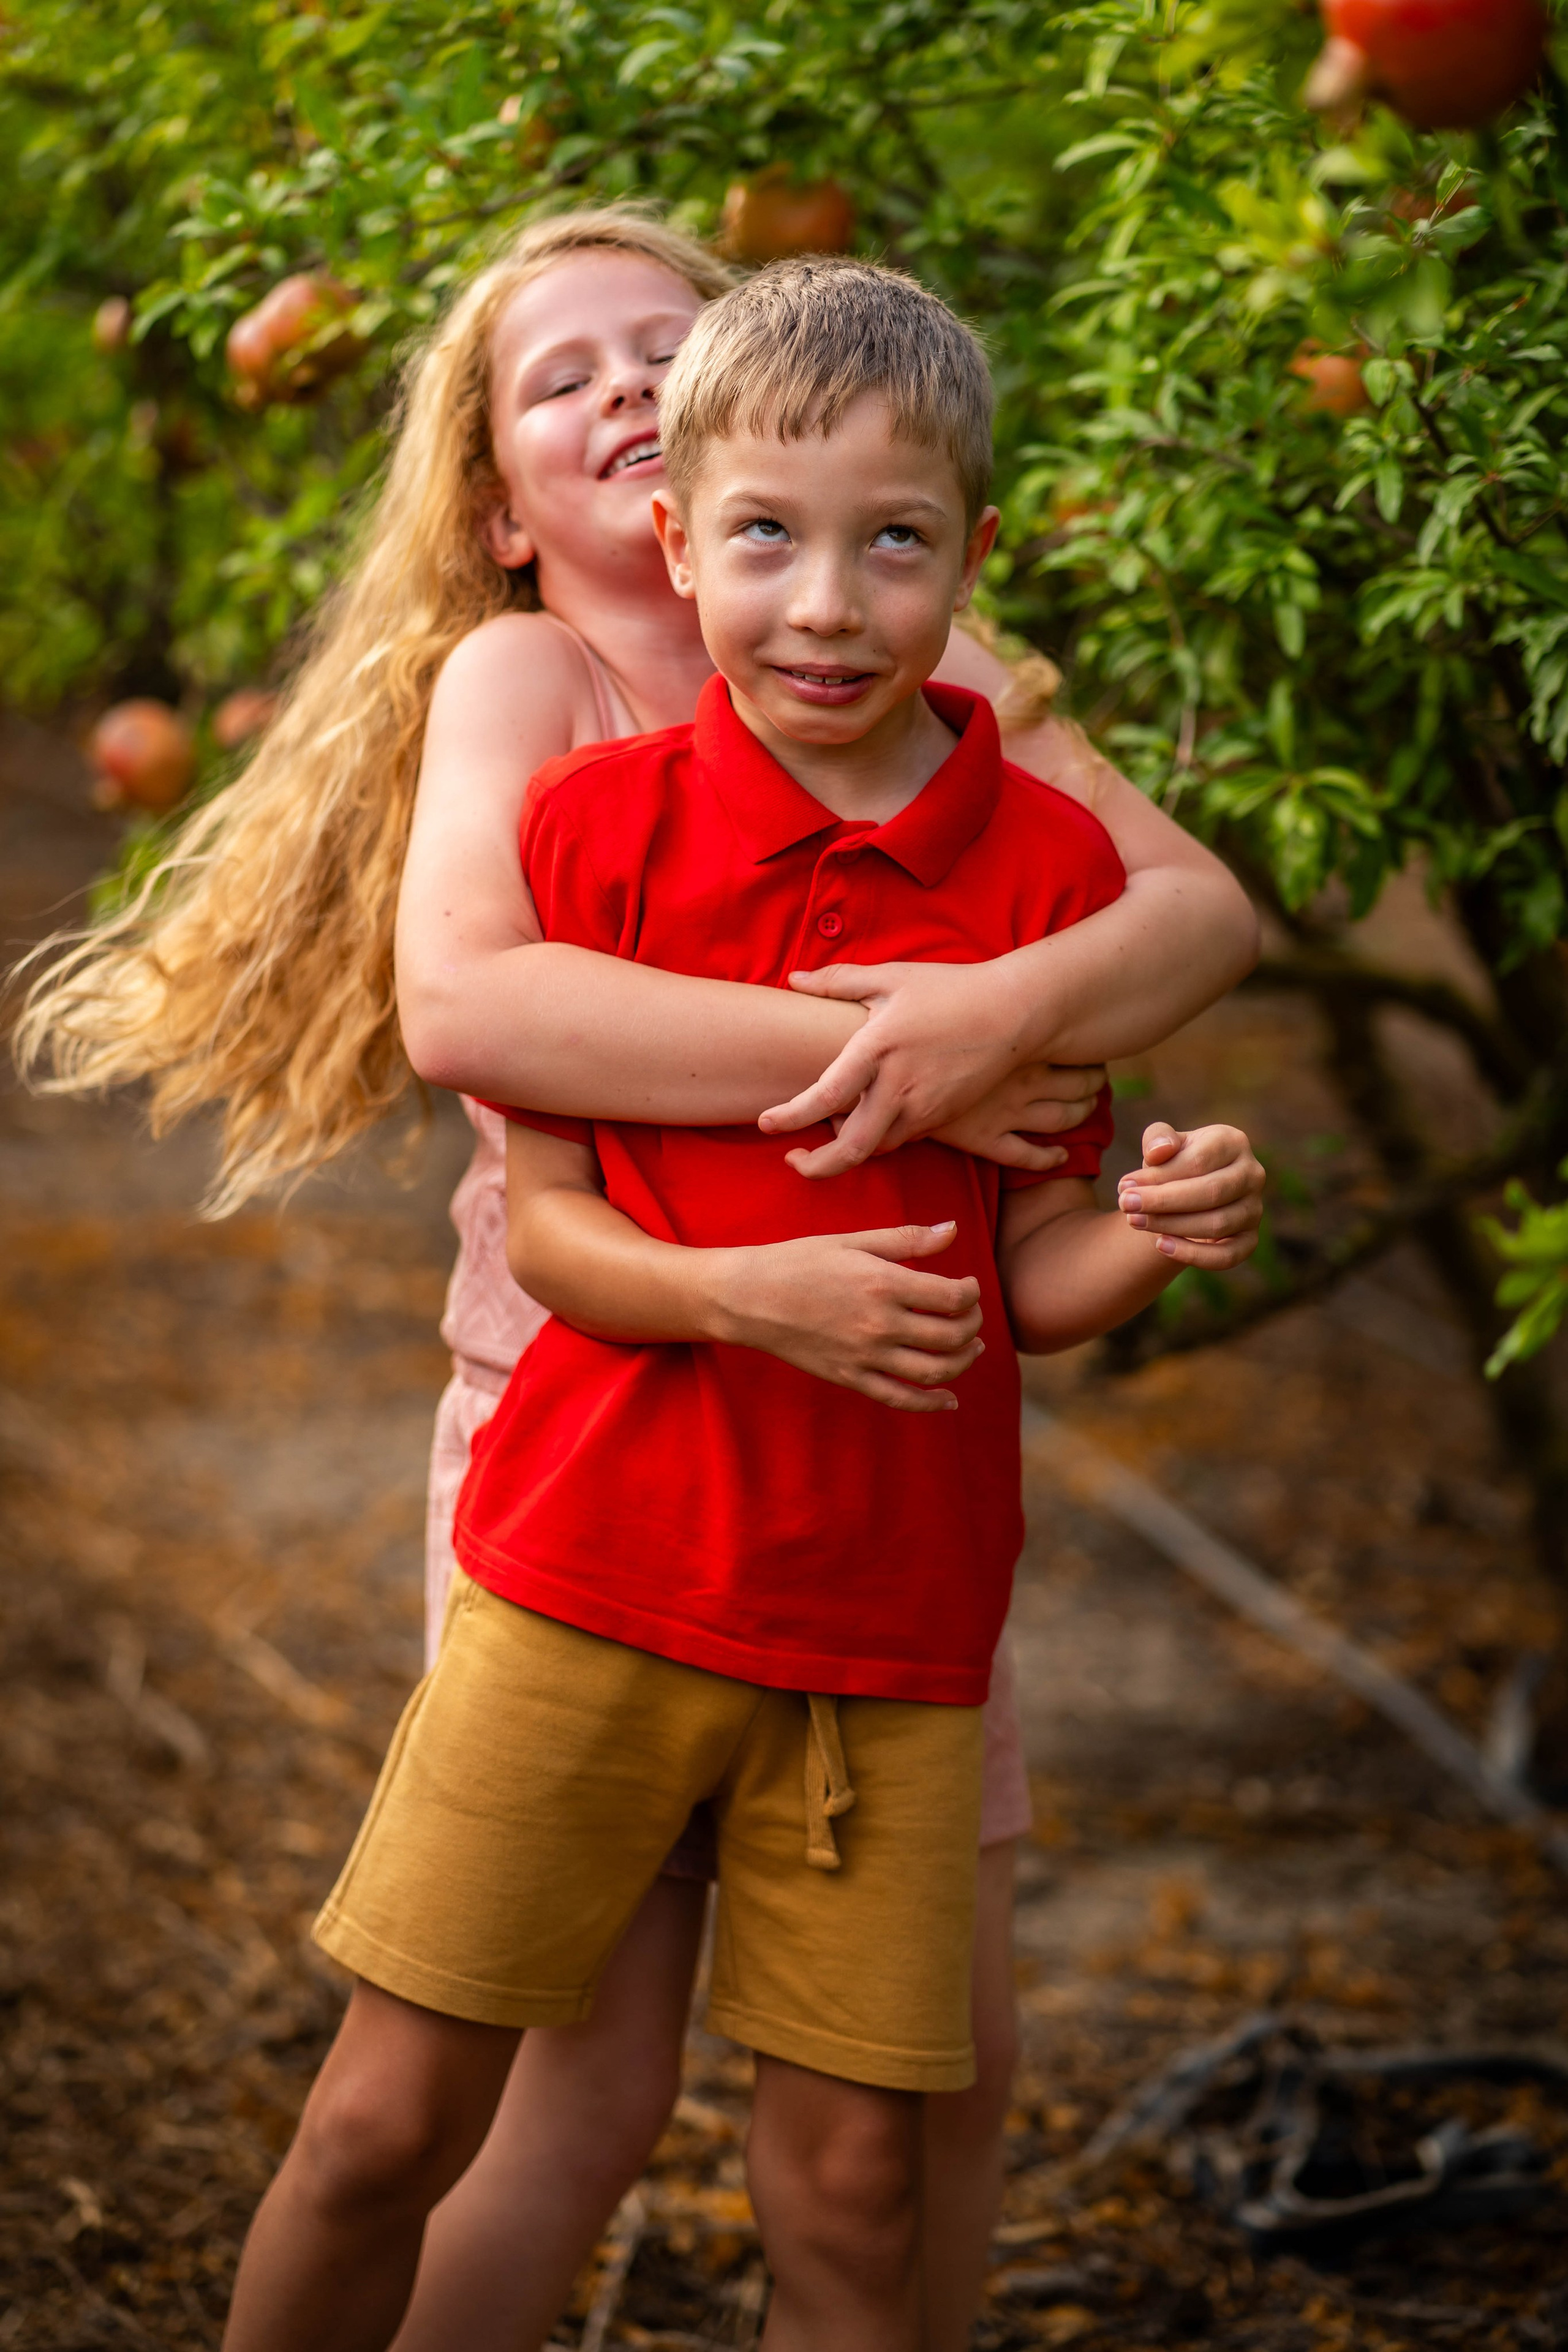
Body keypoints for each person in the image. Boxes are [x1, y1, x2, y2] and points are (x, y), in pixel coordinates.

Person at [13, 210, 1257, 2352]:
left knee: (929, 2089)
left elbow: (1187, 915)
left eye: (652, 346)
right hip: (590, 1444)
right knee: (568, 2088)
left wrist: (1009, 1018)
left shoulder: (941, 693)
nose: (611, 388)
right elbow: (486, 1019)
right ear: (539, 508)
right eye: (553, 374)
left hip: (886, 1500)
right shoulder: (542, 702)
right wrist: (912, 1060)